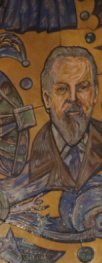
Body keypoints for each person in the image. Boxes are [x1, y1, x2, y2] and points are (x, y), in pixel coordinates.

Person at [29, 46, 102, 192]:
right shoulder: (26, 158)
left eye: (82, 87)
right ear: (47, 99)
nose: (73, 98)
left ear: (95, 94)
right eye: (62, 89)